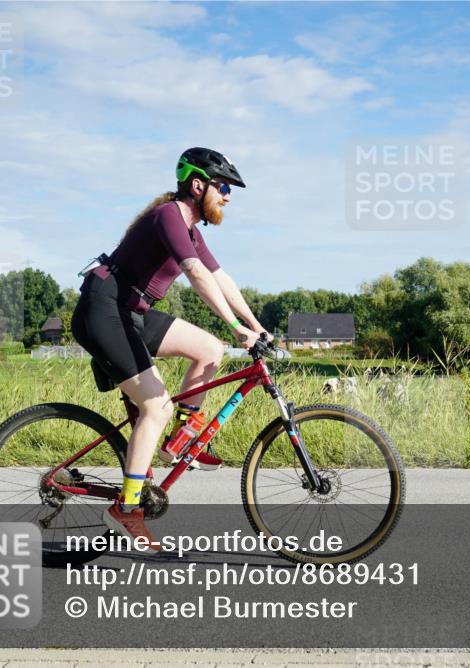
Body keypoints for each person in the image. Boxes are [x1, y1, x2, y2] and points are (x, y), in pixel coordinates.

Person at [71, 147, 268, 548]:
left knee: (210, 350)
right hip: (104, 309)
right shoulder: (168, 216)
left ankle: (179, 441)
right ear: (198, 185)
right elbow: (195, 274)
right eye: (224, 187)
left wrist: (256, 326)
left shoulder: (192, 228)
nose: (228, 196)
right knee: (155, 406)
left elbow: (220, 277)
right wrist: (234, 327)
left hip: (134, 312)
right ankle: (126, 508)